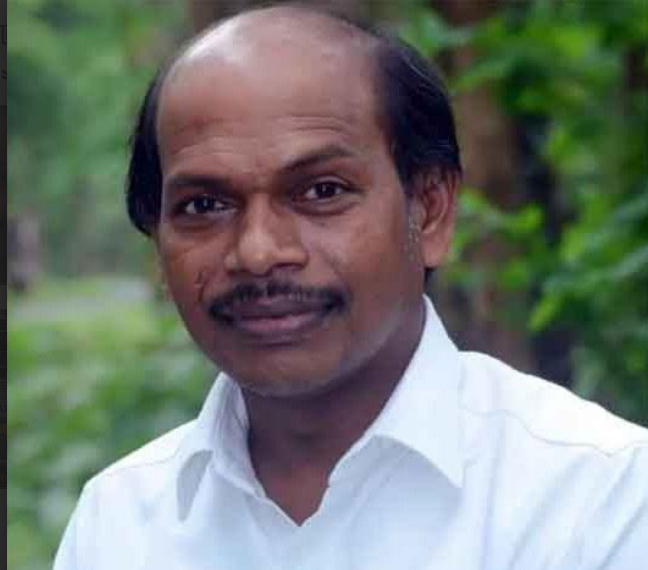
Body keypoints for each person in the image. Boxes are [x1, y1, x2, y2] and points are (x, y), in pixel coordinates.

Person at [54, 4, 647, 569]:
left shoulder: (596, 499)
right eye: (205, 205)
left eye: (322, 192)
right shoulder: (120, 523)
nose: (258, 252)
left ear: (430, 211)